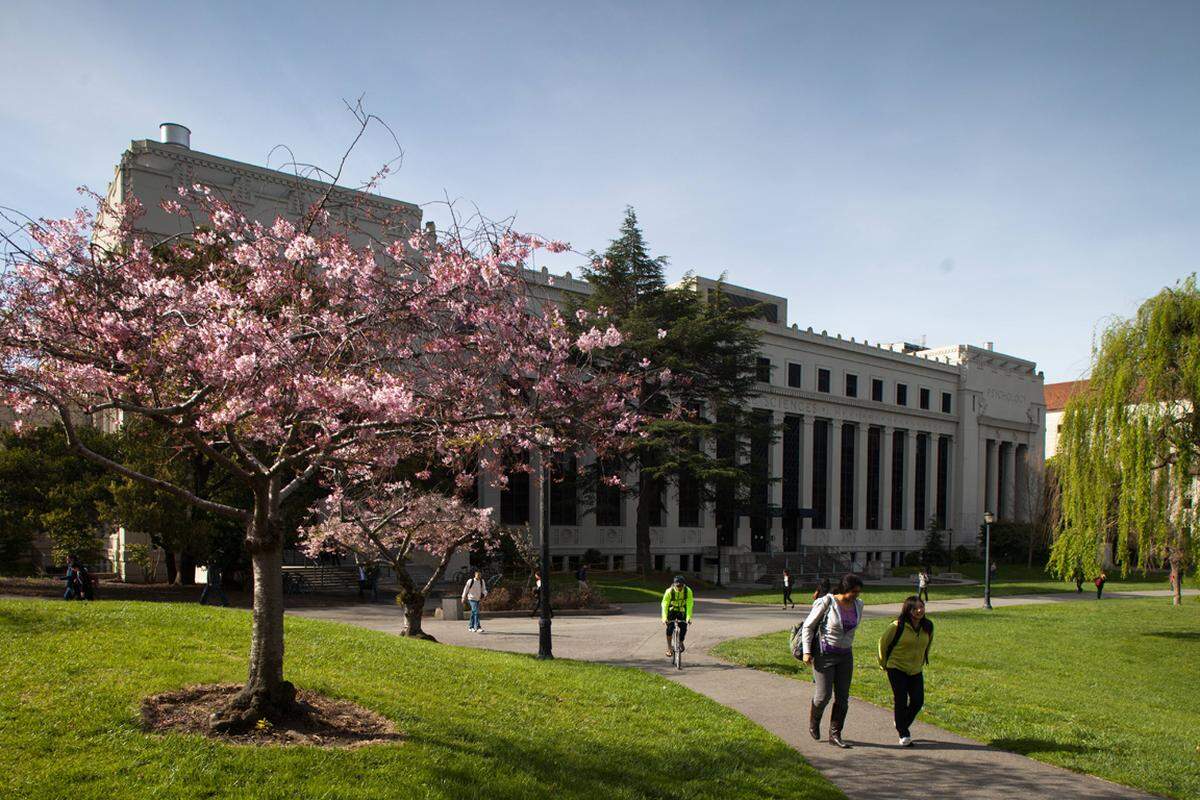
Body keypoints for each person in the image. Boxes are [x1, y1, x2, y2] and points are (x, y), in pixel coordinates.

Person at [801, 573, 864, 748]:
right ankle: (814, 720)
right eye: (853, 592)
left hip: (845, 655)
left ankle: (835, 734)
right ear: (844, 589)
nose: (856, 595)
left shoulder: (859, 605)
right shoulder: (827, 602)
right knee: (823, 696)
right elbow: (808, 626)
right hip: (824, 654)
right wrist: (807, 652)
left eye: (858, 592)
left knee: (843, 697)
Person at [878, 596, 934, 747]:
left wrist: (921, 661)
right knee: (901, 699)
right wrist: (884, 664)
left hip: (915, 669)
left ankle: (901, 722)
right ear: (908, 610)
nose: (919, 610)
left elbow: (927, 645)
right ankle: (904, 733)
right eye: (915, 608)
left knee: (918, 700)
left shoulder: (928, 626)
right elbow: (883, 644)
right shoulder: (897, 626)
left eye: (921, 607)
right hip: (896, 667)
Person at [661, 575, 694, 659]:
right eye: (678, 586)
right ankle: (669, 648)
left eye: (681, 586)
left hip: (682, 610)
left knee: (683, 627)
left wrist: (688, 617)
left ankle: (681, 641)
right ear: (674, 584)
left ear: (684, 585)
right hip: (672, 610)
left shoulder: (688, 591)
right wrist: (664, 618)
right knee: (669, 628)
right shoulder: (669, 591)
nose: (679, 588)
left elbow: (690, 604)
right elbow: (664, 604)